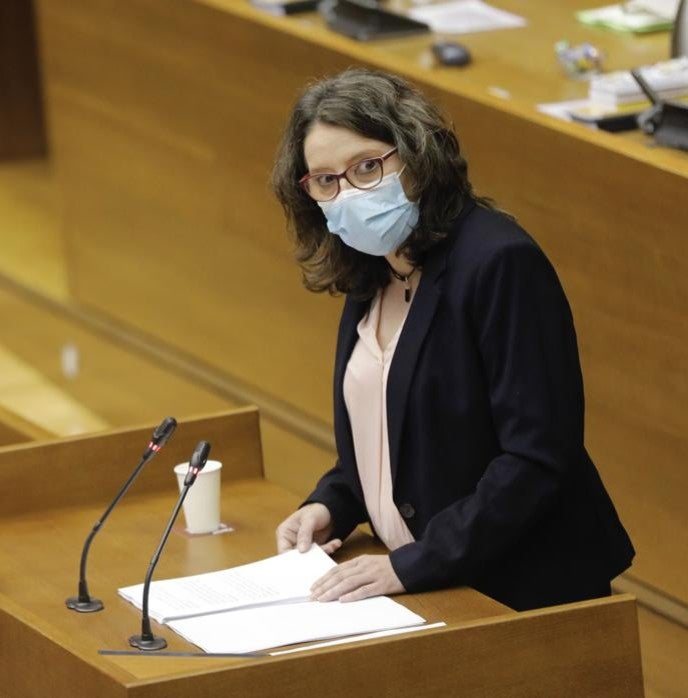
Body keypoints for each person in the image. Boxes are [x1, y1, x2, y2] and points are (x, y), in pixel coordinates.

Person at [269, 69, 634, 612]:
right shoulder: (375, 267)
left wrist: (412, 564)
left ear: (415, 156)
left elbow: (536, 457)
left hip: (522, 591)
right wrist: (333, 502)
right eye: (325, 181)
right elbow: (396, 431)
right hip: (432, 587)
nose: (347, 193)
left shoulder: (500, 263)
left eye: (367, 167)